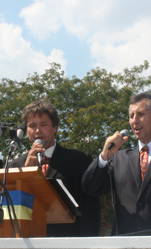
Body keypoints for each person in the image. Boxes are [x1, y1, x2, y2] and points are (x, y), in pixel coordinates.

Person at [82, 93, 151, 235]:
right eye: (131, 115)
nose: (135, 120)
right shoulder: (119, 158)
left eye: (140, 114)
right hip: (125, 246)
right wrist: (104, 156)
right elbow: (90, 188)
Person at [10, 99, 100, 237]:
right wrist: (27, 173)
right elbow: (11, 209)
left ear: (55, 127)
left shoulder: (79, 160)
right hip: (26, 241)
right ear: (27, 130)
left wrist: (87, 246)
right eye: (32, 125)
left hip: (67, 244)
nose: (38, 130)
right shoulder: (14, 166)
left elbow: (90, 210)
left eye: (43, 124)